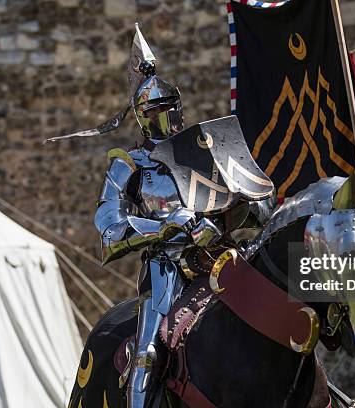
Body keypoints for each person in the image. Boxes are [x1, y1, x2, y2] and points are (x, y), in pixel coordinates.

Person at [57, 25, 274, 407]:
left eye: (171, 105)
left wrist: (248, 209)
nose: (166, 115)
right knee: (149, 352)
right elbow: (109, 230)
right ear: (141, 116)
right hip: (167, 270)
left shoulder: (207, 152)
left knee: (278, 322)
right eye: (156, 109)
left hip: (223, 258)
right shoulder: (128, 165)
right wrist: (166, 225)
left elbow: (253, 204)